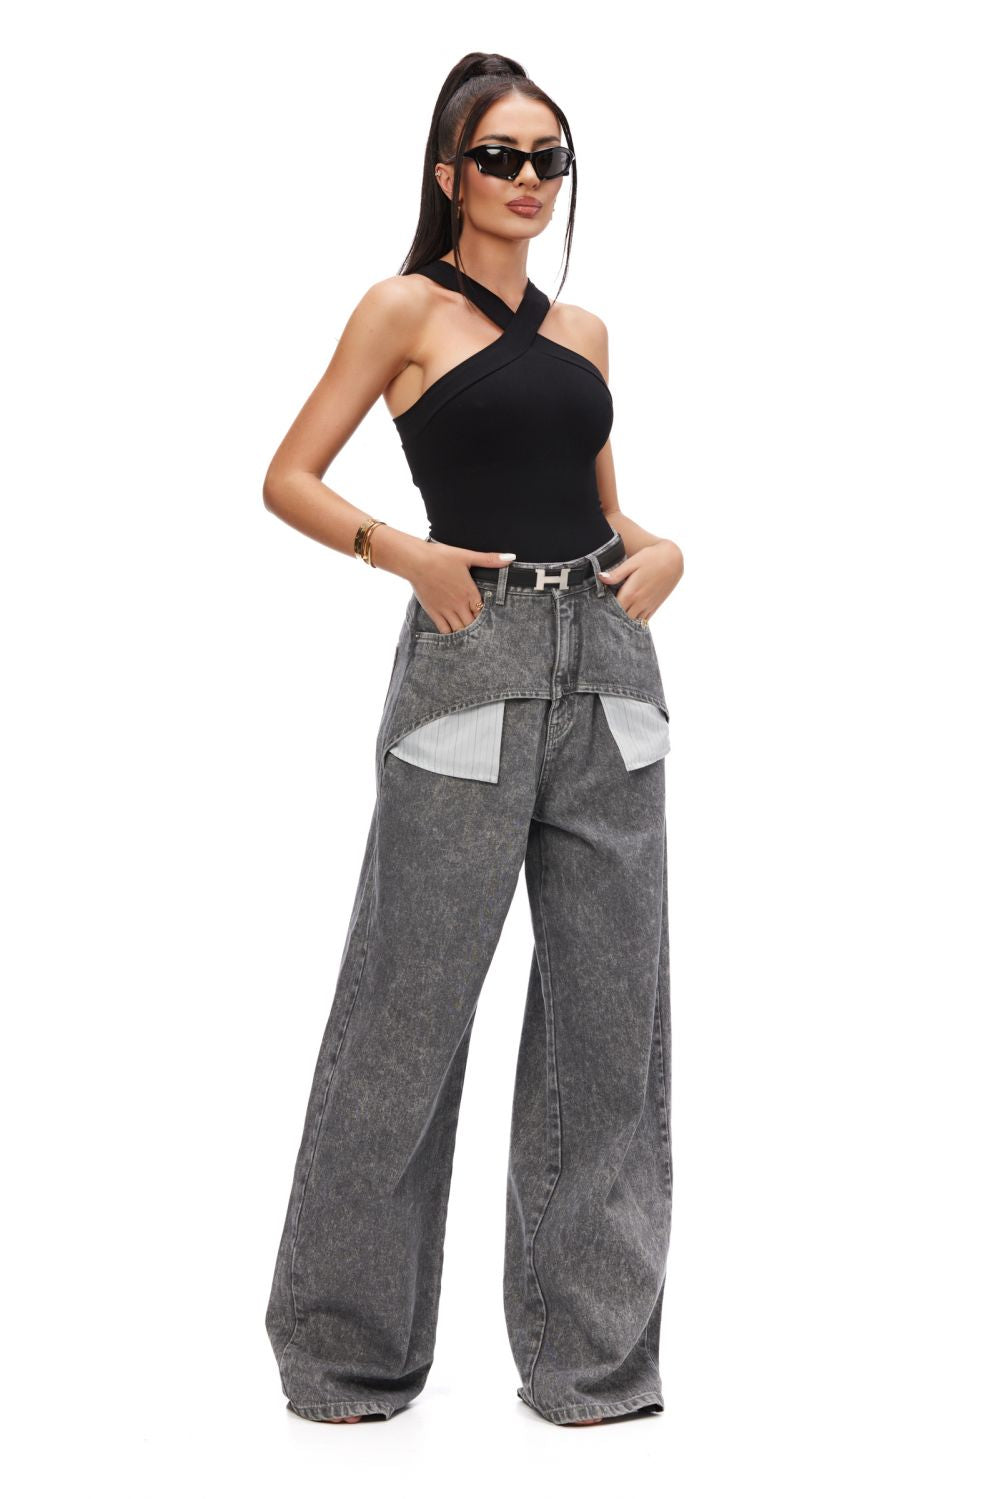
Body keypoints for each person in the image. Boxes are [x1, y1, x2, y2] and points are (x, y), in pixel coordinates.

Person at [262, 51, 685, 1429]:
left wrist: (663, 551)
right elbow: (288, 477)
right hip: (471, 660)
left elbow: (601, 511)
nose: (527, 180)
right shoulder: (404, 309)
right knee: (407, 1014)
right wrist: (406, 555)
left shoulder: (586, 336)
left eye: (549, 159)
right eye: (501, 156)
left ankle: (590, 1366)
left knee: (610, 1028)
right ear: (449, 173)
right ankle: (344, 1355)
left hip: (608, 667)